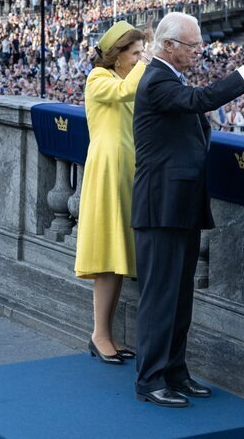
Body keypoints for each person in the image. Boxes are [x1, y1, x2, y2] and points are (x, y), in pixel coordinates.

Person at [131, 12, 244, 408]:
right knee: (160, 297)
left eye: (199, 44)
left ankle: (175, 372)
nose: (198, 52)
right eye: (193, 45)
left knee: (180, 297)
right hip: (161, 204)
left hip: (179, 201)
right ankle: (150, 379)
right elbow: (201, 100)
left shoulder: (171, 76)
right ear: (168, 46)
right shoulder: (158, 80)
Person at [74, 21, 147, 365]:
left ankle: (108, 334)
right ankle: (99, 334)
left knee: (118, 258)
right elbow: (124, 94)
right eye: (135, 53)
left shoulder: (122, 78)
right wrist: (151, 62)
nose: (139, 59)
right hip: (106, 171)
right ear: (117, 56)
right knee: (107, 255)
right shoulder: (98, 79)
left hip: (125, 171)